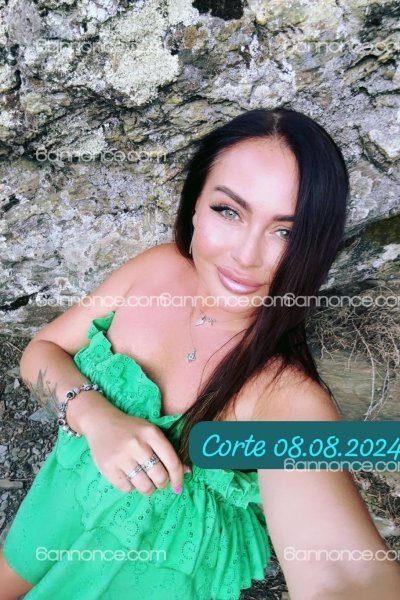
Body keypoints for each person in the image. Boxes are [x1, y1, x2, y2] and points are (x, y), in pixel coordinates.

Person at [1, 107, 399, 600]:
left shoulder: (284, 399)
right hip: (60, 500)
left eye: (286, 232)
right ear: (195, 206)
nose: (246, 256)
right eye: (228, 211)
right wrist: (95, 416)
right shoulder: (156, 271)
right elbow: (41, 351)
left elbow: (344, 575)